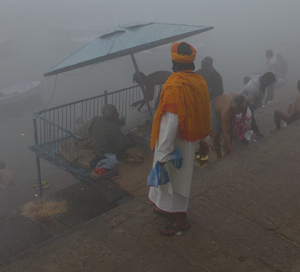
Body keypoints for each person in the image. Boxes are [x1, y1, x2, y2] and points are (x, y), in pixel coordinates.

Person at [149, 42, 210, 236]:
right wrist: (204, 140)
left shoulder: (174, 84)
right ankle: (165, 207)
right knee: (176, 179)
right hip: (189, 140)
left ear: (174, 61)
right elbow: (203, 111)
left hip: (175, 143)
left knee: (176, 180)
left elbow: (171, 121)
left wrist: (163, 154)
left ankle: (181, 220)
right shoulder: (199, 81)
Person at [89, 104, 138, 169]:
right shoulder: (113, 126)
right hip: (108, 153)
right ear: (108, 114)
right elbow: (120, 145)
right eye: (114, 113)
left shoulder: (97, 120)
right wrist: (128, 140)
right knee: (131, 142)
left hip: (97, 151)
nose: (117, 114)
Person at [209, 94, 250, 158]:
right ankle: (219, 156)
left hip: (228, 108)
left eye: (239, 110)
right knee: (215, 135)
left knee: (229, 131)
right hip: (215, 109)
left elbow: (244, 110)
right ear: (232, 107)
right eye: (236, 110)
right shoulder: (226, 111)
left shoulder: (246, 100)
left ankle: (227, 153)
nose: (238, 113)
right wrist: (232, 152)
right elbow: (226, 133)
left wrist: (243, 122)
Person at [239, 71, 276, 138]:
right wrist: (255, 127)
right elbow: (250, 107)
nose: (269, 85)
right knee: (249, 116)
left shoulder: (260, 78)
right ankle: (253, 130)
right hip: (241, 104)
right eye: (269, 83)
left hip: (250, 100)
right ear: (266, 80)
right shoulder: (254, 89)